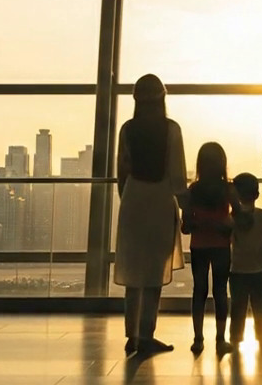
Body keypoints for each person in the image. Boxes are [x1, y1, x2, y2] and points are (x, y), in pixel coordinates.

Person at [115, 74, 189, 356]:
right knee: (154, 272)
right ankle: (147, 335)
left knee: (134, 273)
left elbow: (121, 172)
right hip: (159, 201)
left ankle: (131, 335)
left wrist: (128, 198)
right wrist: (186, 206)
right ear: (162, 98)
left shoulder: (127, 129)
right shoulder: (171, 130)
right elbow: (178, 176)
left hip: (133, 200)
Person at [183, 141, 236, 356]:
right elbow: (239, 215)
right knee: (221, 291)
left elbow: (186, 225)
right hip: (222, 245)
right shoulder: (228, 189)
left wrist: (199, 224)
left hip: (199, 245)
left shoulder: (193, 190)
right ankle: (221, 339)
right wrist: (223, 225)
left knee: (199, 291)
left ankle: (198, 338)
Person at [228, 172, 262, 351]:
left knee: (237, 307)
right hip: (260, 269)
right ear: (256, 195)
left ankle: (235, 338)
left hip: (237, 269)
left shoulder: (232, 218)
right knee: (260, 306)